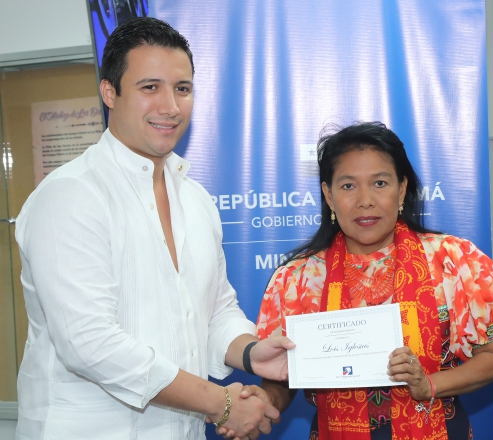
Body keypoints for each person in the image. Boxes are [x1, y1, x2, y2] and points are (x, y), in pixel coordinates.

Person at [14, 17, 294, 440]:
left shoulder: (195, 198)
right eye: (150, 88)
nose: (171, 106)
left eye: (182, 88)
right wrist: (221, 404)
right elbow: (90, 344)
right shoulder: (71, 195)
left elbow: (214, 310)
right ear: (110, 92)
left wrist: (253, 353)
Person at [253, 122, 493, 439]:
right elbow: (283, 377)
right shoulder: (298, 279)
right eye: (348, 186)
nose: (365, 200)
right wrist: (264, 401)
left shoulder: (452, 260)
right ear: (328, 194)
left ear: (402, 188)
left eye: (380, 183)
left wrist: (429, 385)